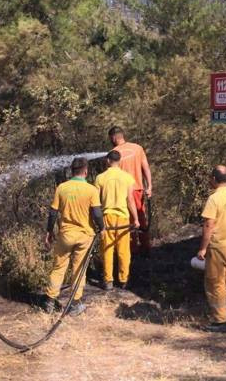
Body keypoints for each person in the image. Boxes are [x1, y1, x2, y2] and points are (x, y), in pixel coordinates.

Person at [43, 157, 103, 315]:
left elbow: (53, 212)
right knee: (79, 269)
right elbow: (97, 213)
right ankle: (75, 304)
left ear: (72, 171)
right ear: (85, 171)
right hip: (85, 236)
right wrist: (102, 228)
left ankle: (49, 301)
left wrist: (49, 231)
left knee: (58, 268)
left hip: (65, 236)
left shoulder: (62, 188)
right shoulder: (91, 190)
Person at [196, 165, 226, 332]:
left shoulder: (214, 198)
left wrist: (202, 248)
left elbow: (209, 225)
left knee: (215, 282)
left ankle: (221, 321)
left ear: (214, 179)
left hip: (218, 246)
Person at [94, 149, 140, 290]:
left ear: (108, 160)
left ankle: (108, 281)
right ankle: (124, 279)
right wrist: (136, 219)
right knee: (123, 250)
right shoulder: (127, 177)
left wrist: (95, 220)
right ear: (119, 161)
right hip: (123, 218)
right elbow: (130, 200)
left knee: (107, 249)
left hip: (107, 217)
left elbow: (95, 202)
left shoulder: (100, 178)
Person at [108, 126, 153, 254]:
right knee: (141, 219)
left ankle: (132, 250)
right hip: (138, 189)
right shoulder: (137, 148)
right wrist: (149, 186)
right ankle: (146, 248)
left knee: (127, 220)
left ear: (113, 137)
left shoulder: (113, 153)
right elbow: (146, 168)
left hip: (123, 193)